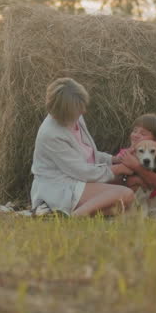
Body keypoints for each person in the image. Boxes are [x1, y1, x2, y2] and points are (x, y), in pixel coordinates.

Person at [30, 78, 136, 216]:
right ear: (65, 111)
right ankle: (72, 217)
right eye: (80, 108)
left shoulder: (74, 115)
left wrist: (114, 159)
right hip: (61, 186)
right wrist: (118, 168)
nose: (84, 111)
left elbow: (88, 153)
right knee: (126, 195)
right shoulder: (50, 134)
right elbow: (81, 171)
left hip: (80, 177)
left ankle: (63, 213)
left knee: (127, 197)